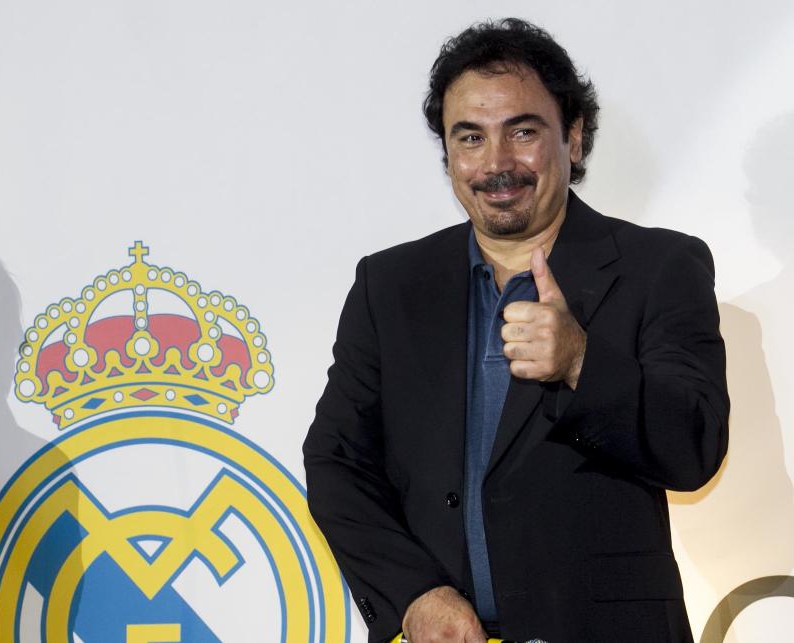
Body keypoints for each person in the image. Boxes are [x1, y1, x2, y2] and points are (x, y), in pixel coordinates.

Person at [303, 18, 728, 643]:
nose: (496, 164)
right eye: (469, 137)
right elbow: (336, 461)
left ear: (574, 138)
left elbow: (694, 449)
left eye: (522, 132)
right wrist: (416, 594)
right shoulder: (389, 285)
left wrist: (583, 362)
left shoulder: (660, 267)